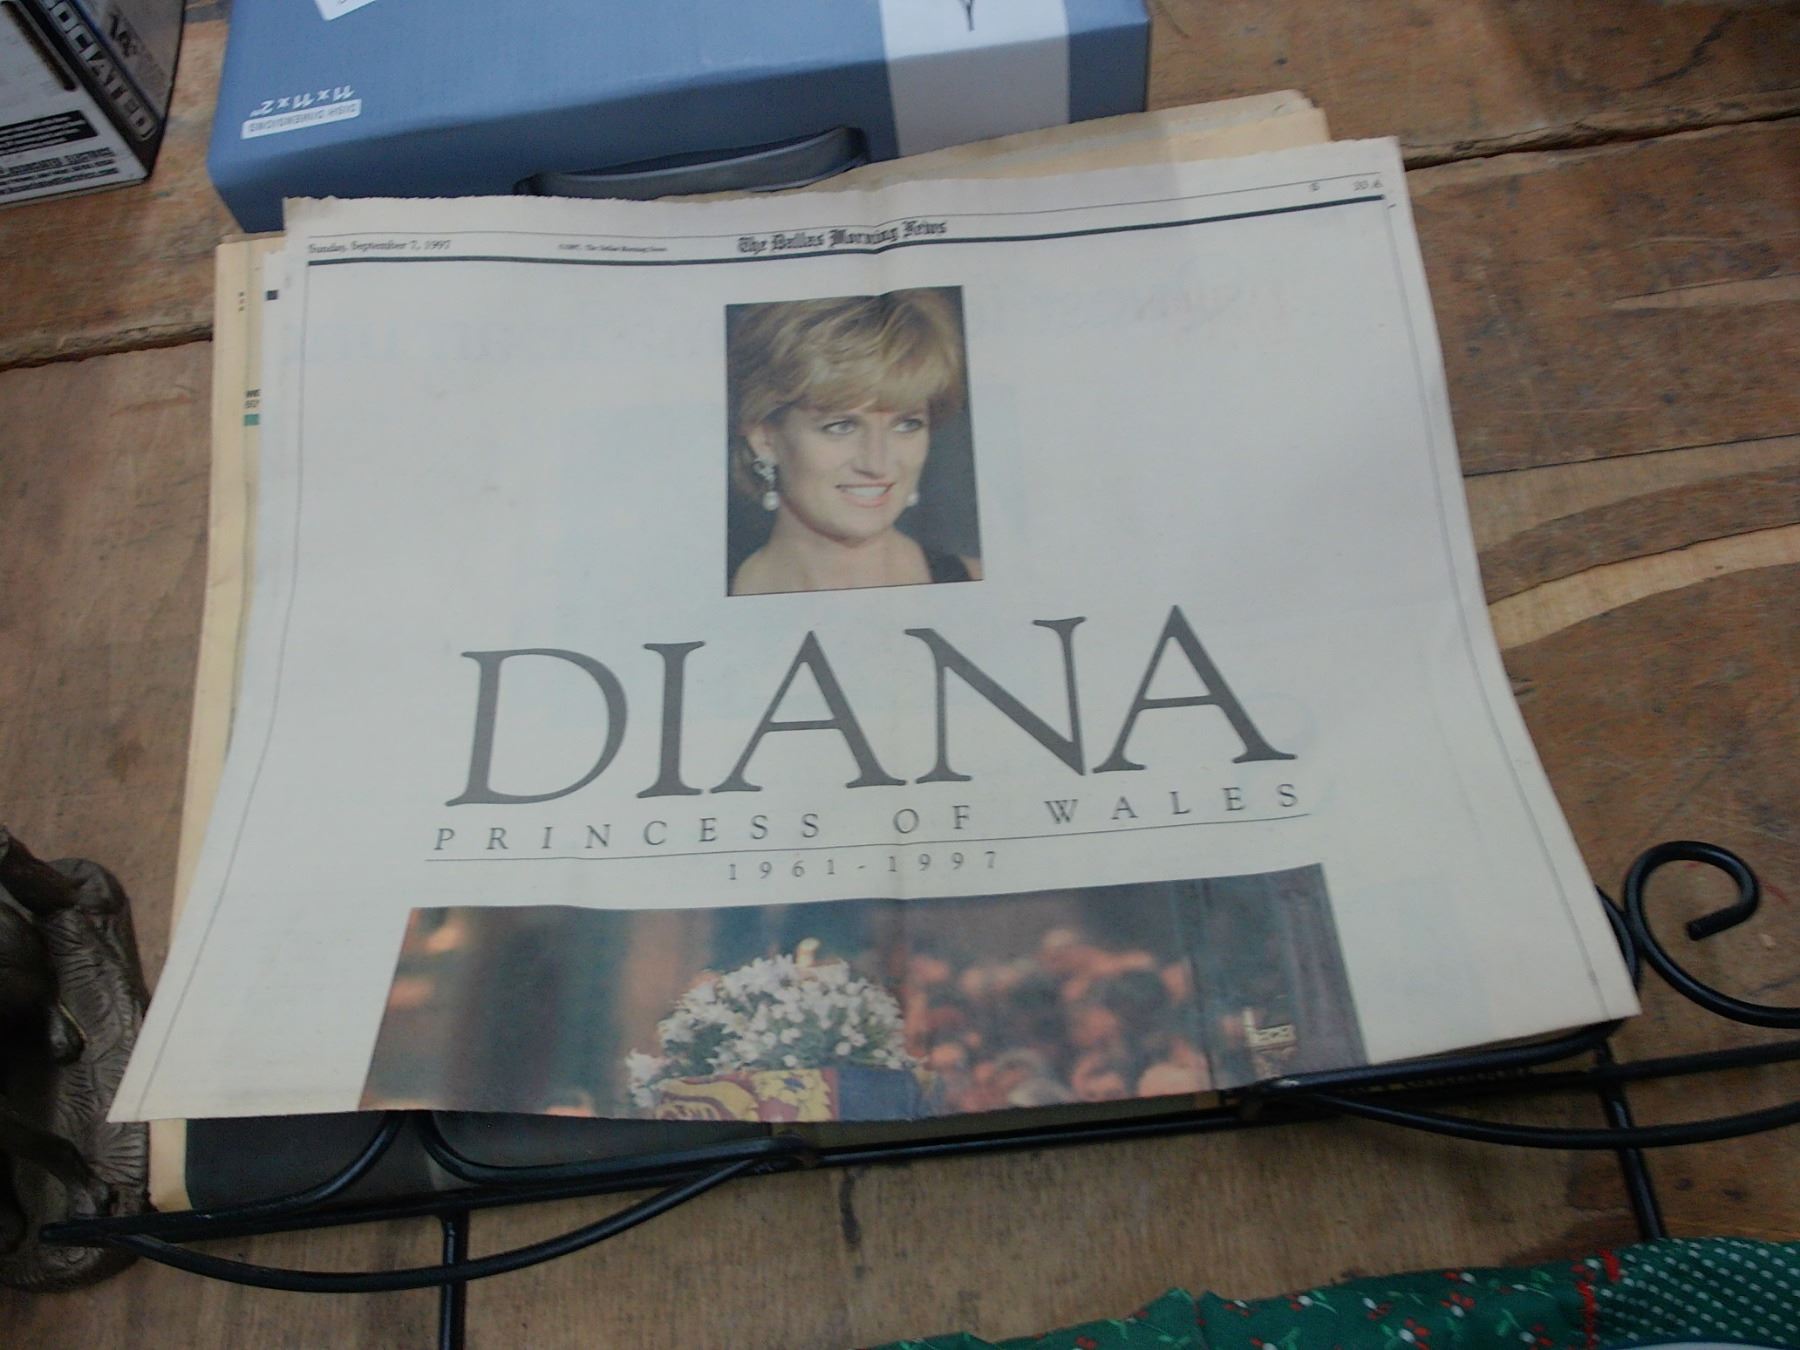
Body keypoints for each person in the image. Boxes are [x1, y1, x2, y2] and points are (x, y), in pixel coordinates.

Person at [727, 290, 982, 596]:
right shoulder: (700, 603)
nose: (877, 464)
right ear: (765, 439)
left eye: (907, 424)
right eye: (841, 426)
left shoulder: (983, 584)